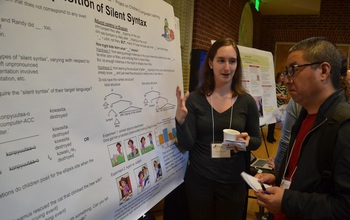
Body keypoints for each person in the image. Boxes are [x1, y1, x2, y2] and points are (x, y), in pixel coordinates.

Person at [255, 37, 350, 219]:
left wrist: (286, 200)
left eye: (294, 70)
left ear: (323, 70)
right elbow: (304, 171)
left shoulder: (344, 126)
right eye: (286, 71)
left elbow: (344, 207)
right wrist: (277, 176)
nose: (287, 79)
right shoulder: (305, 115)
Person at [175, 37, 261, 220]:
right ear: (210, 63)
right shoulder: (195, 100)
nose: (227, 68)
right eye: (221, 60)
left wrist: (247, 142)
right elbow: (188, 144)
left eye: (232, 61)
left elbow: (256, 140)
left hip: (233, 181)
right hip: (199, 181)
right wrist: (180, 121)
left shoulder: (247, 102)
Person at [267, 99, 301, 170]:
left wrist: (277, 164)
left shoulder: (295, 103)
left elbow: (285, 141)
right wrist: (276, 158)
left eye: (279, 121)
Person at [267, 72, 288, 143]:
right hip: (274, 106)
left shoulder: (284, 86)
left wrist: (279, 95)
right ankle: (269, 137)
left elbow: (286, 97)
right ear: (278, 77)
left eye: (283, 76)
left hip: (281, 107)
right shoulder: (274, 85)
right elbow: (271, 95)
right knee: (272, 122)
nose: (282, 77)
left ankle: (274, 136)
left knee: (279, 122)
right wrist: (279, 95)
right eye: (281, 76)